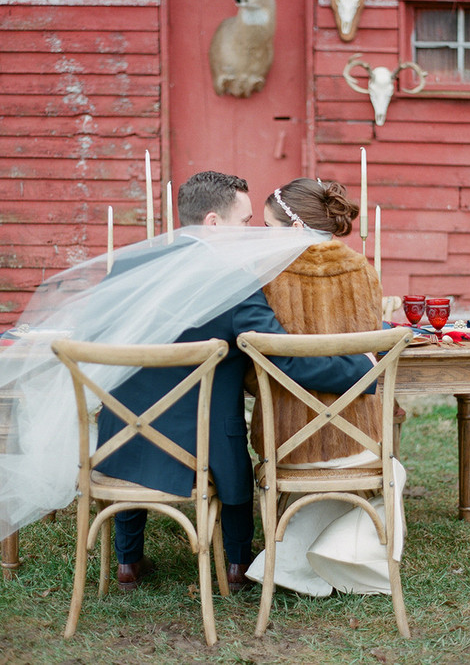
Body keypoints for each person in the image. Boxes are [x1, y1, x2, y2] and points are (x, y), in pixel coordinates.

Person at [95, 171, 377, 593]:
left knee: (139, 414)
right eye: (245, 222)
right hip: (204, 443)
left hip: (122, 439)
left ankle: (127, 561)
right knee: (229, 438)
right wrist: (362, 369)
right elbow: (283, 358)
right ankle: (236, 563)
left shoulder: (129, 266)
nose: (252, 234)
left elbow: (98, 339)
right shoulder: (235, 282)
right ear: (213, 223)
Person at [246, 177, 406, 596]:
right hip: (356, 440)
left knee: (387, 471)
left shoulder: (265, 276)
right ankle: (326, 555)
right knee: (391, 469)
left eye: (268, 227)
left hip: (286, 441)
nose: (262, 236)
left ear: (297, 228)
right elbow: (369, 357)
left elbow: (254, 370)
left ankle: (289, 561)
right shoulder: (362, 271)